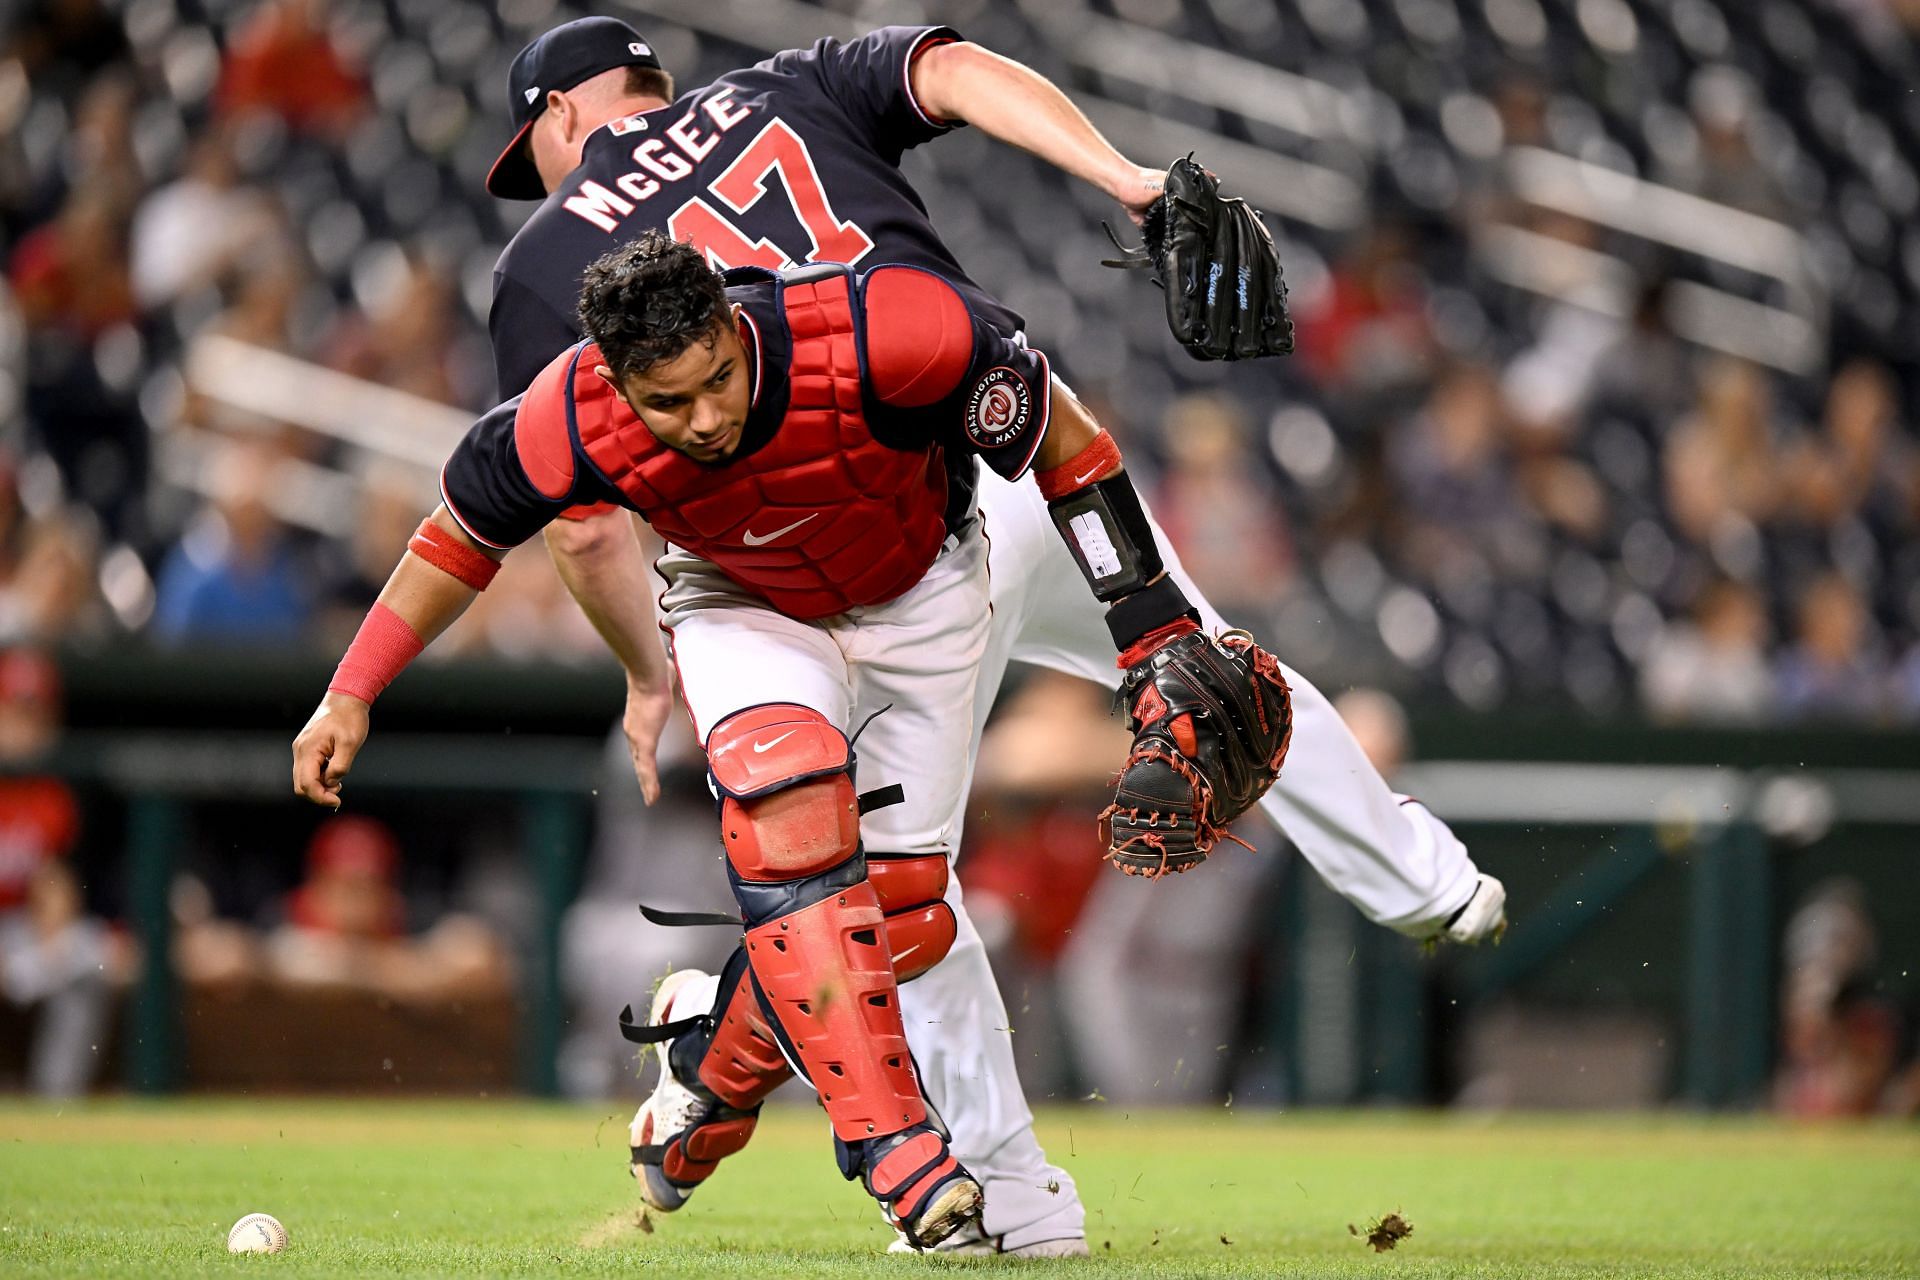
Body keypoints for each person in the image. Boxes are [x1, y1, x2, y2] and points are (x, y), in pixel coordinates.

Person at [477, 16, 1506, 1257]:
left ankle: (993, 1182)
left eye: (527, 147)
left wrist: (649, 672)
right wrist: (1125, 177)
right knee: (1205, 664)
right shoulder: (782, 86)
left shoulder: (545, 260)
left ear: (559, 115)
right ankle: (1427, 882)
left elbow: (586, 532)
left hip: (851, 574)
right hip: (1001, 444)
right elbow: (954, 70)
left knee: (892, 901)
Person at [294, 233, 1236, 1249]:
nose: (702, 417)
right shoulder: (568, 416)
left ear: (735, 326)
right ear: (615, 378)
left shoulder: (883, 331)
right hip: (739, 601)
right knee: (790, 802)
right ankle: (902, 1155)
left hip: (923, 589)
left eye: (718, 380)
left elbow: (1063, 438)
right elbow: (459, 537)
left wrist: (1151, 621)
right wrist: (352, 689)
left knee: (903, 916)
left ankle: (711, 1068)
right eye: (668, 401)